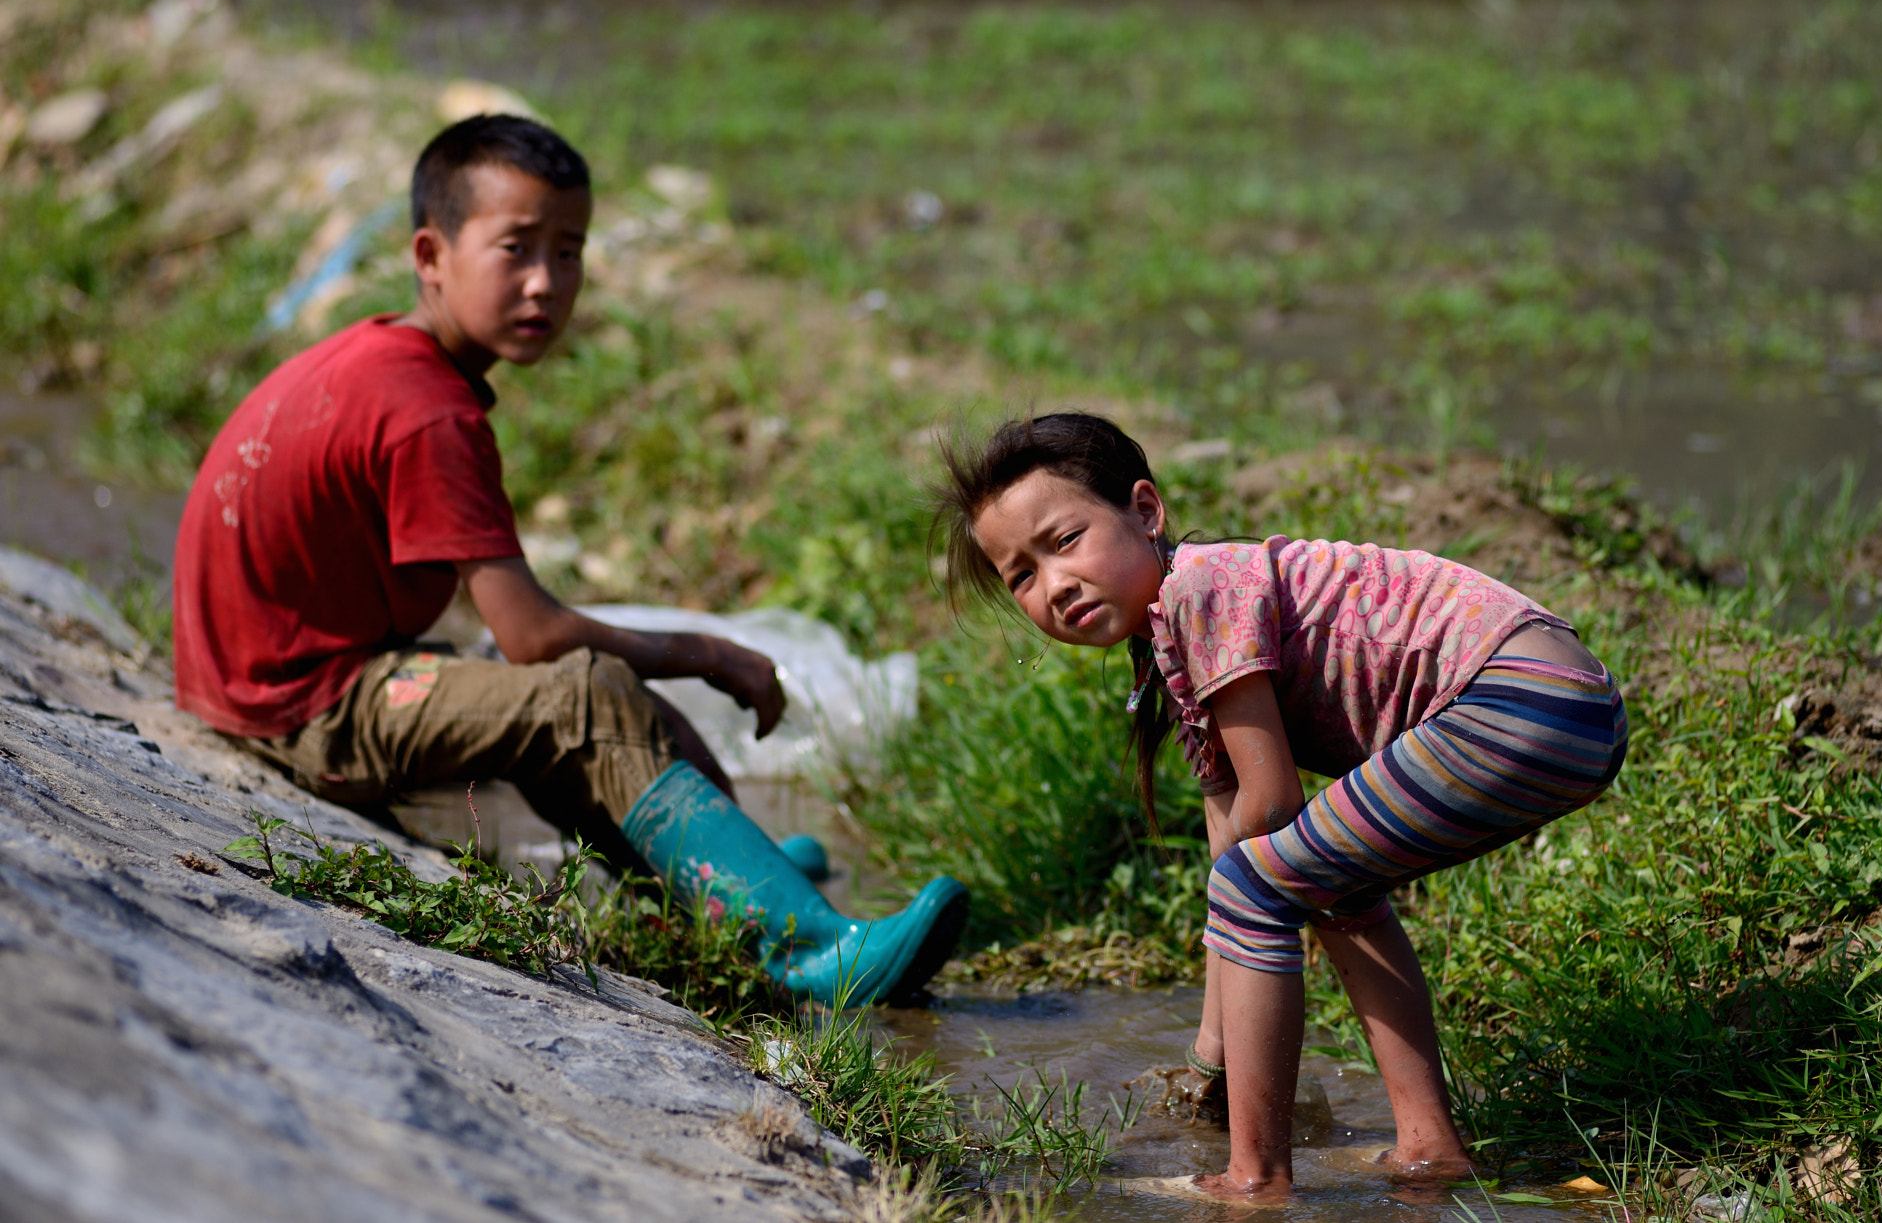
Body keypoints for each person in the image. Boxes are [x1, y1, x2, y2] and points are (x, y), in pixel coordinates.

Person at [174, 114, 965, 1006]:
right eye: (515, 249)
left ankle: (738, 868)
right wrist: (711, 654)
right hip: (301, 702)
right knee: (582, 691)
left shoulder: (387, 356)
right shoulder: (432, 413)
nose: (546, 283)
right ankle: (803, 948)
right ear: (430, 255)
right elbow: (531, 635)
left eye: (570, 251)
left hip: (268, 672)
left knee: (588, 697)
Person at [935, 412, 1627, 1203]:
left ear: (1146, 511)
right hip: (1567, 707)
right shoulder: (1174, 640)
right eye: (1019, 575)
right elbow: (1228, 835)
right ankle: (1430, 1148)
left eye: (1064, 541)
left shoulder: (1201, 588)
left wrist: (1230, 1001)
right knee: (1324, 883)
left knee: (1266, 881)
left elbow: (1269, 805)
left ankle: (1255, 1177)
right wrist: (1210, 1047)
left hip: (1520, 698)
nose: (1052, 584)